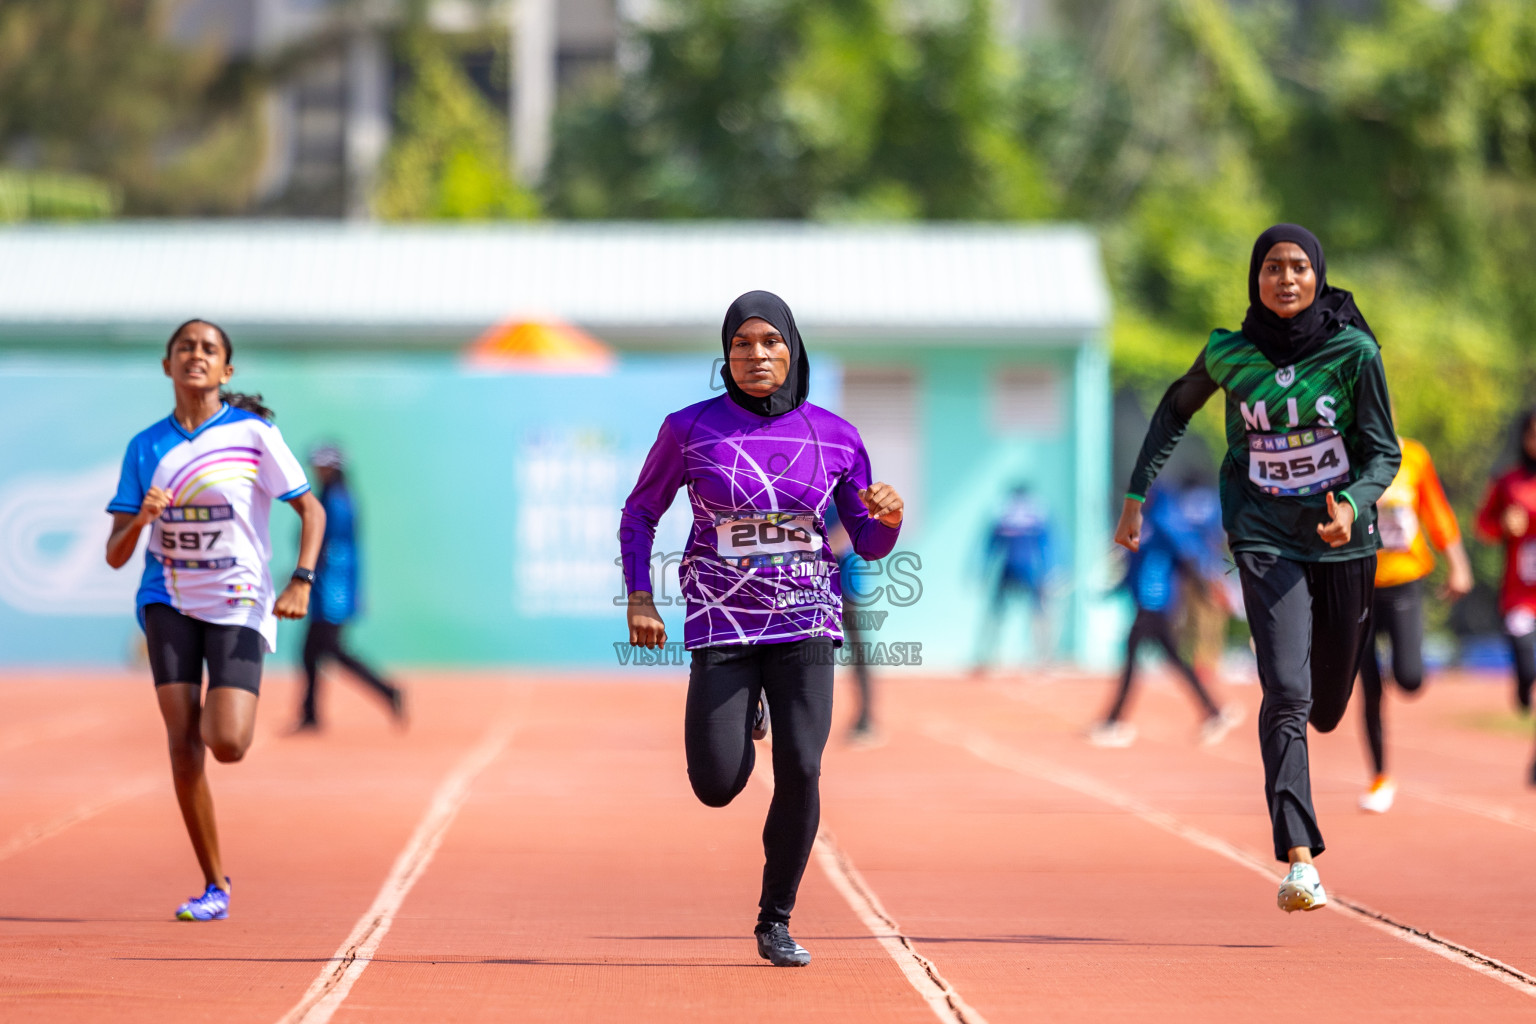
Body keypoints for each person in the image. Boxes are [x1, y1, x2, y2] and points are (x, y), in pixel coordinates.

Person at [1116, 224, 1399, 914]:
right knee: (1286, 692)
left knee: (1327, 703)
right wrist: (1135, 495)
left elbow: (1383, 452)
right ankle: (1300, 862)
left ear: (1318, 276)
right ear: (1256, 278)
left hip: (1342, 544)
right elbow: (1173, 412)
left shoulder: (1354, 352)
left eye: (1299, 267)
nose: (1287, 279)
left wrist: (1353, 507)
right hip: (1262, 534)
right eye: (1273, 268)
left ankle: (1321, 723)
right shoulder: (1228, 352)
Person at [620, 291, 903, 967]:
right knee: (716, 785)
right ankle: (745, 712)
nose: (756, 355)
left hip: (807, 618)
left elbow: (865, 541)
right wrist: (639, 597)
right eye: (742, 344)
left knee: (802, 766)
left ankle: (775, 920)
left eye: (770, 342)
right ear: (726, 355)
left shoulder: (835, 435)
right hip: (722, 621)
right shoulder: (689, 429)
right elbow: (640, 513)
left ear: (792, 349)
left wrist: (887, 517)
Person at [105, 319, 324, 921]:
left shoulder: (253, 434)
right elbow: (115, 552)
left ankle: (215, 698)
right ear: (167, 365)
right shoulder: (146, 447)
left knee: (225, 742)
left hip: (237, 600)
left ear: (226, 370)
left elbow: (311, 510)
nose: (195, 356)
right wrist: (142, 518)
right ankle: (214, 885)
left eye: (208, 350)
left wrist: (300, 580)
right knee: (181, 747)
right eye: (184, 349)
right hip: (167, 599)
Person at [1358, 433, 1471, 812]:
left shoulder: (1414, 457)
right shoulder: (1340, 456)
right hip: (1358, 584)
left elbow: (1436, 511)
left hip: (1405, 580)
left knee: (1409, 679)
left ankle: (1400, 658)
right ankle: (1379, 777)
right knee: (1369, 687)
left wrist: (1458, 564)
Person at [1089, 483, 1239, 748]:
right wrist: (1111, 591)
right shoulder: (1142, 523)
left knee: (1134, 660)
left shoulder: (1162, 519)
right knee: (1172, 660)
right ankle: (1213, 711)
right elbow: (1132, 566)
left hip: (1156, 602)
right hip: (1147, 604)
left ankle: (1114, 721)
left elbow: (1187, 554)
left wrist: (1206, 588)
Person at [292, 443, 405, 732]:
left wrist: (305, 574)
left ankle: (387, 690)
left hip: (331, 590)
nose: (317, 470)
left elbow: (331, 547)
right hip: (326, 587)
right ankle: (310, 714)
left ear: (334, 468)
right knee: (312, 652)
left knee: (330, 651)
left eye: (322, 465)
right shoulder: (332, 497)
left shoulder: (338, 502)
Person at [1475, 409, 1536, 782]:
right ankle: (1523, 683)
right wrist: (1504, 526)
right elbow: (1483, 526)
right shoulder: (1509, 482)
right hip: (1519, 596)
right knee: (1529, 663)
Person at [972, 484, 1054, 673]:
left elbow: (990, 548)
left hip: (1023, 571)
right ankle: (987, 655)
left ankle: (1042, 657)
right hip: (1018, 571)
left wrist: (1050, 571)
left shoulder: (1009, 513)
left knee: (1035, 614)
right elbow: (990, 546)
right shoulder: (1017, 513)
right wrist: (1050, 571)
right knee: (1002, 614)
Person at [825, 504, 878, 746]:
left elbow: (851, 530)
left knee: (857, 650)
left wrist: (816, 549)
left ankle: (866, 719)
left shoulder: (848, 486)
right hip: (806, 581)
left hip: (844, 582)